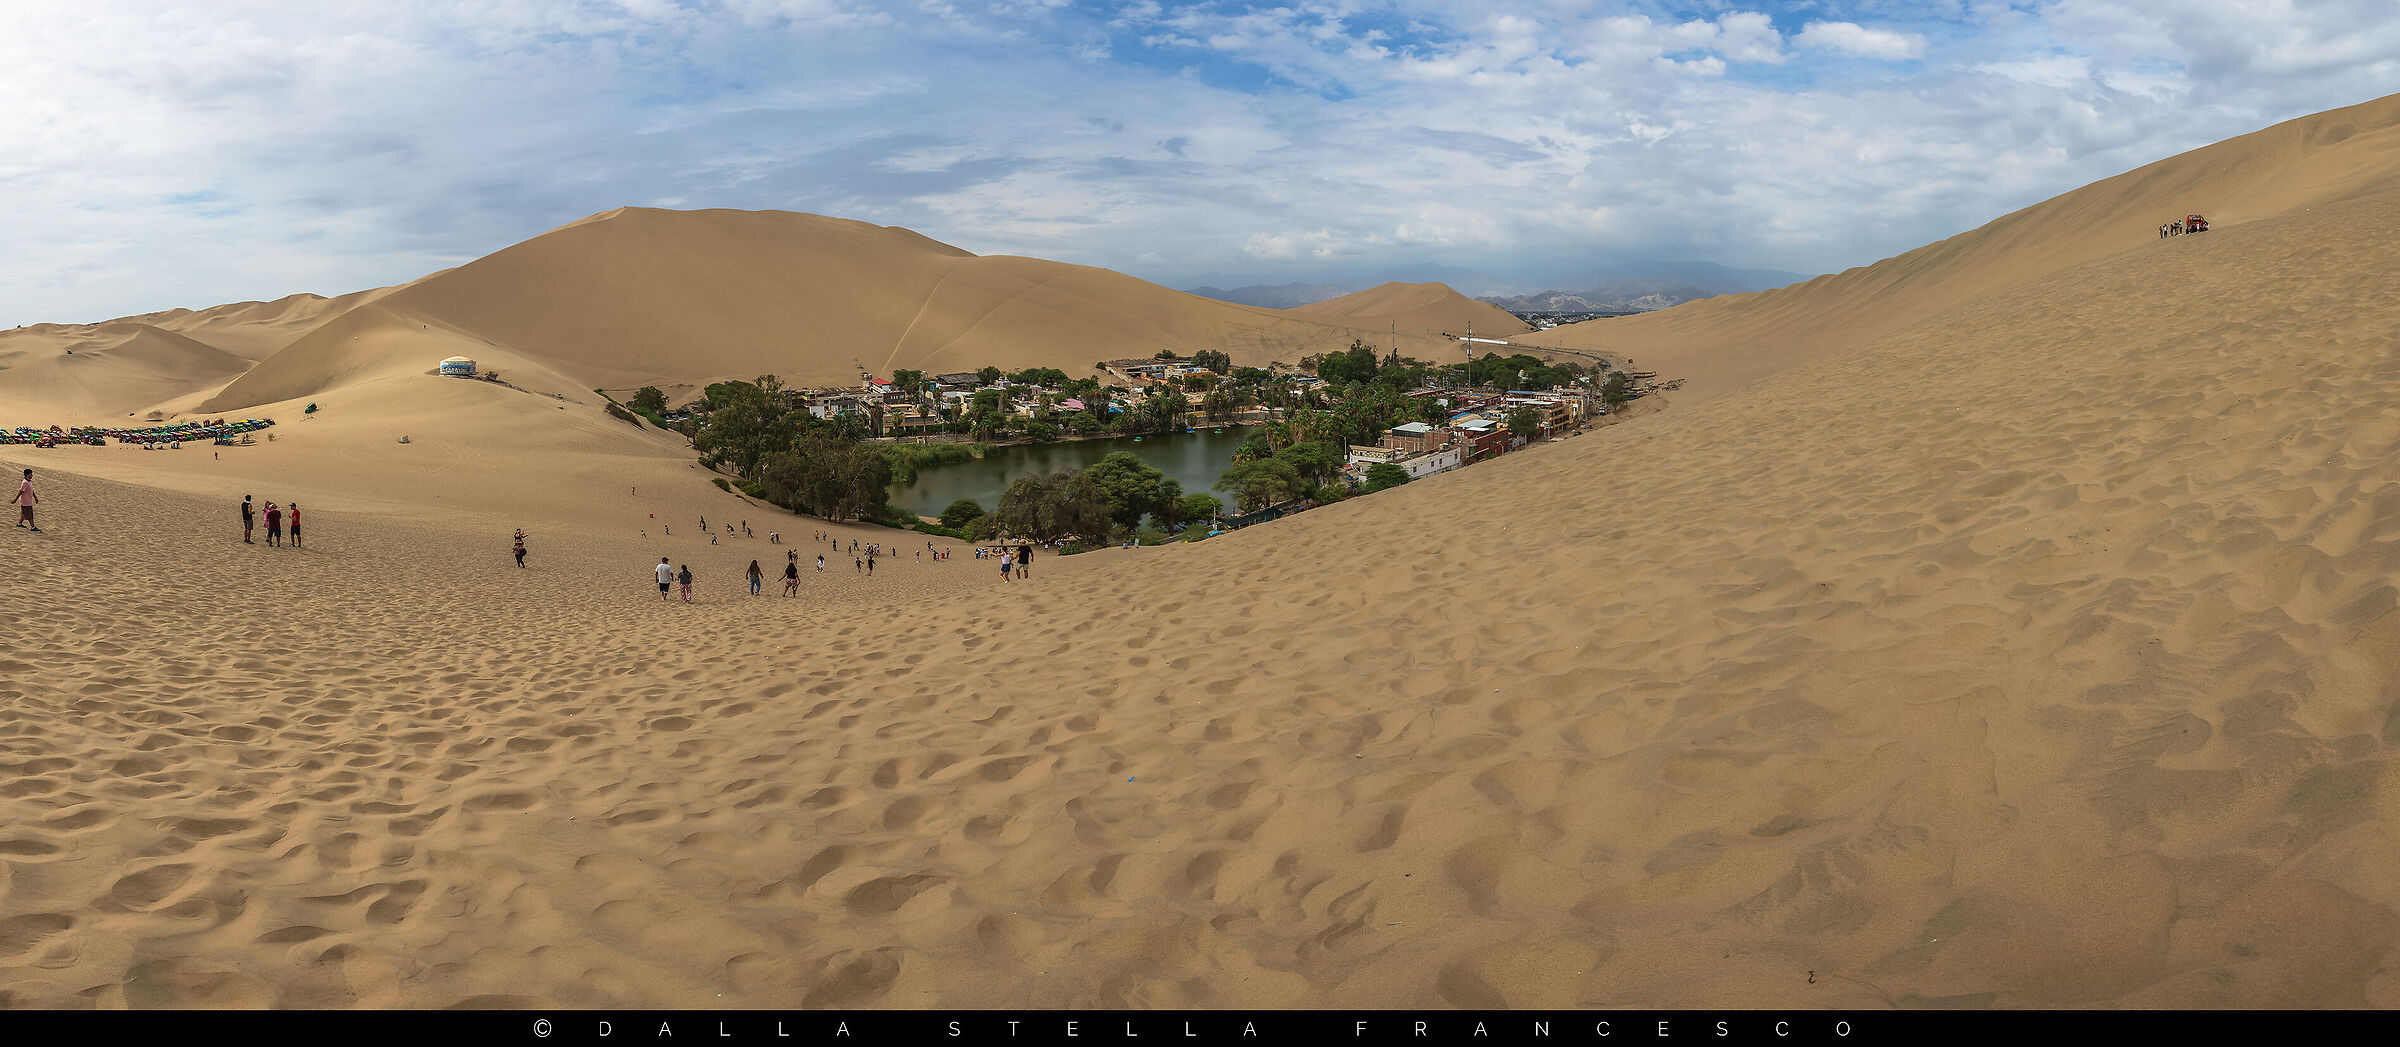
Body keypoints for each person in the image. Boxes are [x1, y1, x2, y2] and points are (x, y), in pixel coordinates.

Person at [13, 469, 37, 533]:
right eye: (31, 474)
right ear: (27, 475)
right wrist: (15, 499)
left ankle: (19, 524)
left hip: (28, 500)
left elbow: (31, 490)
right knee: (30, 515)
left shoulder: (29, 482)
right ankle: (33, 527)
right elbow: (20, 491)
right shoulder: (25, 482)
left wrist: (35, 497)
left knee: (24, 513)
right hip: (25, 502)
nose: (32, 475)